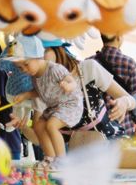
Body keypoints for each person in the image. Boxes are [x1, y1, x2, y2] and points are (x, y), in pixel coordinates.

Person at [43, 41, 136, 171]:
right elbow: (41, 134)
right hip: (81, 155)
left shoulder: (86, 69)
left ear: (58, 52)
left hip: (109, 142)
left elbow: (131, 100)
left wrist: (124, 102)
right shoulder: (46, 89)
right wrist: (22, 125)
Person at [10, 36, 83, 168]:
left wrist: (68, 86)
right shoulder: (35, 76)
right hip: (55, 106)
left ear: (38, 55)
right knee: (38, 126)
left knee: (51, 126)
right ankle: (50, 157)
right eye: (20, 68)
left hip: (71, 104)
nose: (24, 70)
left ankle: (62, 160)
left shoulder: (54, 69)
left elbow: (71, 81)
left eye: (26, 64)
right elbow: (40, 91)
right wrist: (26, 95)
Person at [90, 34, 136, 138]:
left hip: (95, 129)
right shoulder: (129, 63)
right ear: (119, 37)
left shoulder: (90, 62)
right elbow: (135, 97)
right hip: (123, 126)